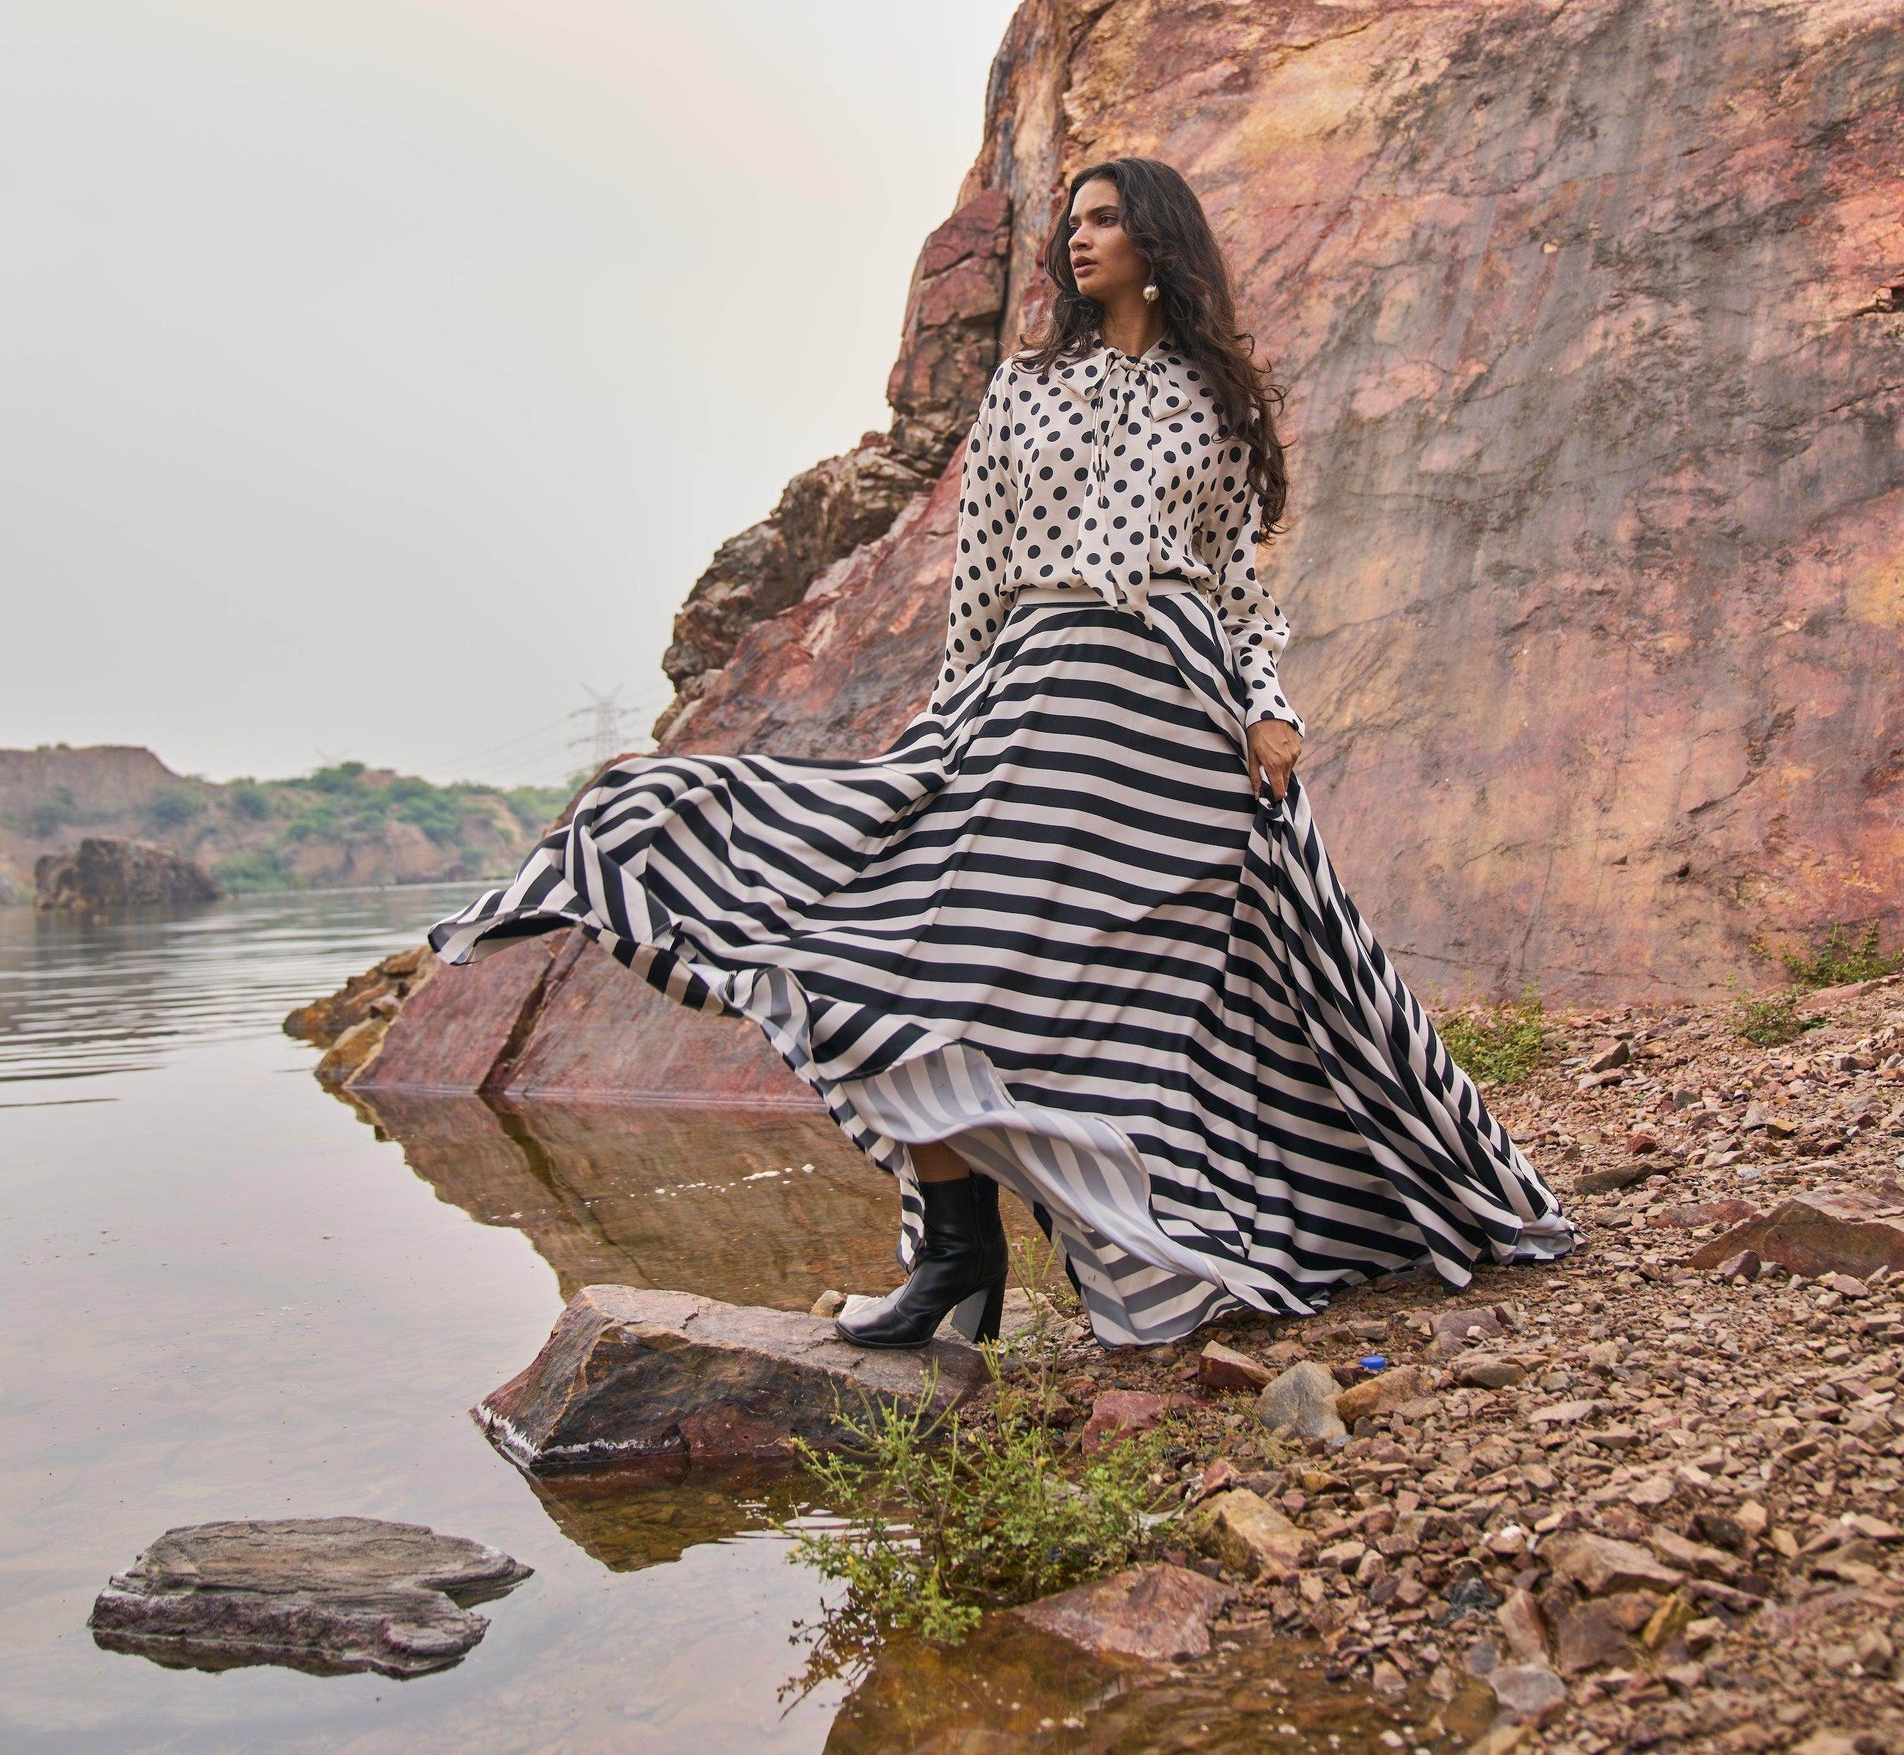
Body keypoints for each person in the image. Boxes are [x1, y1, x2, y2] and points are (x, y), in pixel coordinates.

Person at [431, 158, 1570, 1348]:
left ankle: (1185, 1232)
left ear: (1157, 239)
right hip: (1036, 683)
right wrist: (946, 725)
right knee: (922, 958)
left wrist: (1268, 709)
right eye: (1072, 221)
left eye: (1105, 219)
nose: (1079, 238)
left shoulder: (1216, 401)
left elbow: (1236, 587)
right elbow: (976, 577)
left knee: (1164, 1001)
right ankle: (959, 1247)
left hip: (1172, 717)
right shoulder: (1023, 387)